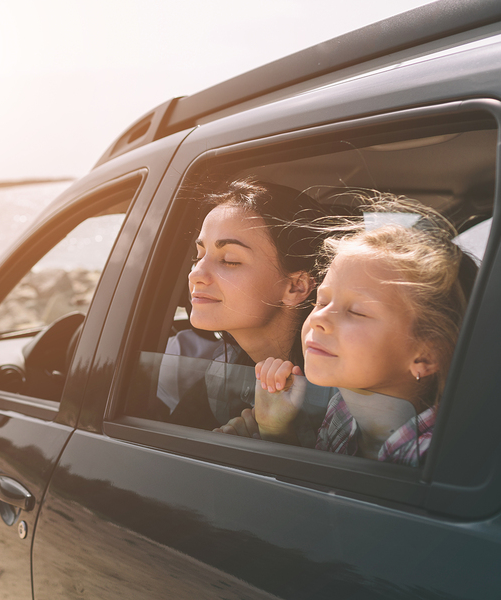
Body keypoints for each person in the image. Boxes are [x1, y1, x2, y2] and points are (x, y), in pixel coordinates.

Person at [218, 196, 475, 467]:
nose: (319, 318)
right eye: (322, 301)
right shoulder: (342, 413)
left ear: (426, 355)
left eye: (357, 312)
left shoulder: (440, 462)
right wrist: (275, 431)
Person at [155, 178, 333, 435]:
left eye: (228, 260)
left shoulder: (340, 399)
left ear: (295, 287)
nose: (196, 273)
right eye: (199, 255)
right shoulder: (222, 376)